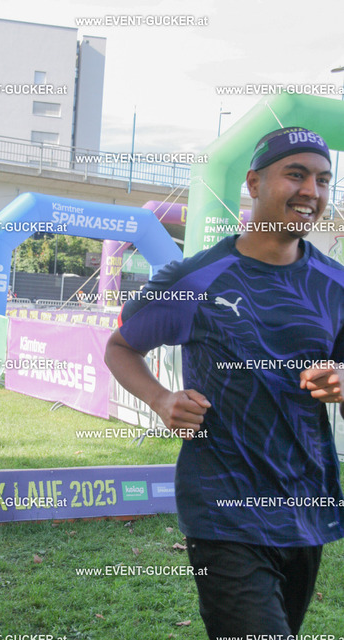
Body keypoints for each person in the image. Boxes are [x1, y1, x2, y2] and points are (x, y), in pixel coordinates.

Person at [104, 127, 344, 637]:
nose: (311, 191)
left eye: (323, 180)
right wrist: (160, 398)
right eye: (296, 174)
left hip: (305, 505)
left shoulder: (337, 285)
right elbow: (120, 347)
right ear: (254, 184)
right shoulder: (194, 278)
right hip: (223, 507)